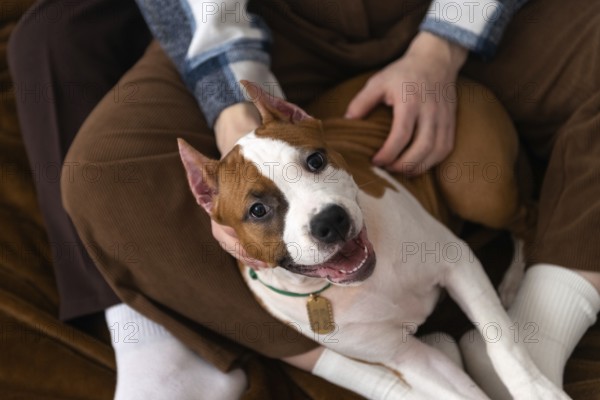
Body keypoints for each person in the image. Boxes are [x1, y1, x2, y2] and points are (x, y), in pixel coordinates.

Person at [9, 0, 600, 398]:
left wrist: (444, 43)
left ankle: (535, 338)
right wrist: (233, 105)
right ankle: (371, 373)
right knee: (100, 174)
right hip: (273, 20)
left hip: (455, 11)